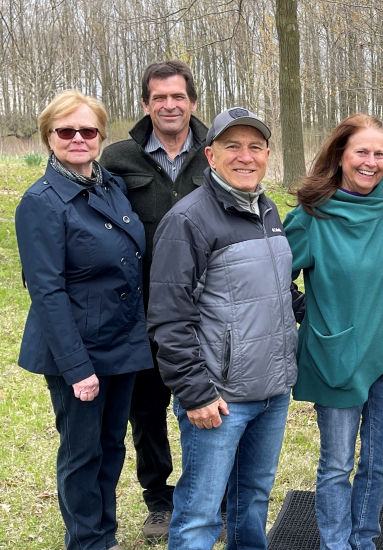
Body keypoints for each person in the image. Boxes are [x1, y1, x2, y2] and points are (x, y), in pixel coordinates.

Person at [146, 107, 298, 550]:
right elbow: (169, 317)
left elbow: (277, 291)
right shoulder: (188, 219)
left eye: (255, 146)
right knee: (199, 514)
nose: (245, 156)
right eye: (233, 146)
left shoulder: (267, 210)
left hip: (271, 393)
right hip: (219, 398)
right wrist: (195, 393)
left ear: (268, 154)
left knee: (251, 502)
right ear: (210, 155)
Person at [16, 90, 152, 550]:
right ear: (48, 138)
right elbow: (46, 292)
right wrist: (78, 368)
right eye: (66, 131)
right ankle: (87, 541)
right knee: (81, 452)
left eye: (87, 130)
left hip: (122, 339)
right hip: (77, 348)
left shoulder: (111, 185)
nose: (78, 138)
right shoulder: (41, 201)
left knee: (112, 445)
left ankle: (104, 533)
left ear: (101, 136)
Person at [282, 113, 383, 550]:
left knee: (379, 464)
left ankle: (364, 540)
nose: (371, 162)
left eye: (380, 153)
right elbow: (275, 276)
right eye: (362, 152)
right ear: (340, 156)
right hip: (336, 355)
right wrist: (310, 316)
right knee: (337, 463)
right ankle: (335, 544)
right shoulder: (312, 215)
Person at [99, 60, 211, 541]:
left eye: (178, 96)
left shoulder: (215, 152)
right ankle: (160, 502)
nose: (170, 105)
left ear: (191, 101)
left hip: (206, 312)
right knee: (146, 414)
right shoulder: (117, 158)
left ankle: (207, 496)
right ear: (146, 104)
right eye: (159, 97)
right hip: (140, 314)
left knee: (207, 410)